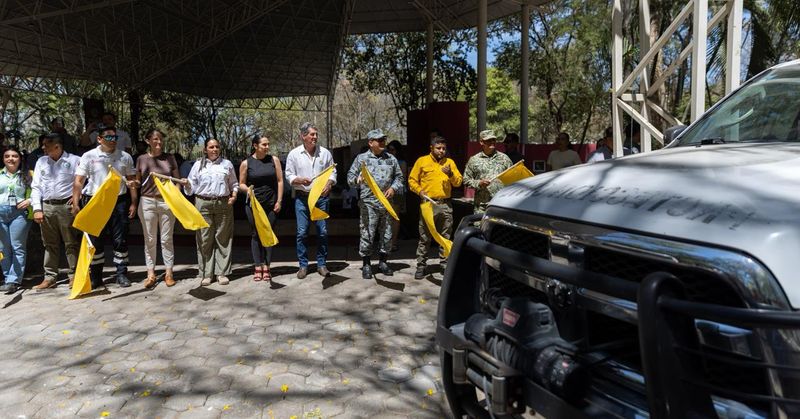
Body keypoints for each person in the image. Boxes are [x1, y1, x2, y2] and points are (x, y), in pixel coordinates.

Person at [72, 126, 138, 288]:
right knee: (95, 240)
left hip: (119, 202)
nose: (113, 140)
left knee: (120, 238)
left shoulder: (125, 157)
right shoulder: (89, 156)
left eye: (115, 137)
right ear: (99, 139)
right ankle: (96, 276)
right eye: (108, 137)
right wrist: (75, 203)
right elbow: (79, 181)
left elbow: (132, 181)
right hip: (95, 201)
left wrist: (134, 202)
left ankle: (121, 274)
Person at [347, 129, 403, 279]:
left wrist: (393, 188)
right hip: (368, 204)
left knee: (387, 234)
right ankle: (366, 264)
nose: (383, 142)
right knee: (367, 234)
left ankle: (383, 262)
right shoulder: (361, 159)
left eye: (384, 139)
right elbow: (350, 177)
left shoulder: (391, 159)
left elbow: (399, 178)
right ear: (371, 143)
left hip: (386, 203)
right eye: (379, 140)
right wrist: (357, 181)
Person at [136, 129, 187, 289]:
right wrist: (132, 184)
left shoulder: (169, 158)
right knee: (149, 239)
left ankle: (169, 273)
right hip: (147, 202)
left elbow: (177, 180)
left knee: (166, 239)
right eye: (155, 139)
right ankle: (150, 274)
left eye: (161, 139)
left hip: (166, 202)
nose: (159, 142)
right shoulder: (141, 159)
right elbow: (138, 182)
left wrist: (176, 195)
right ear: (148, 141)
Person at [284, 122, 337, 279]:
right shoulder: (294, 154)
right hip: (302, 198)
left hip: (321, 199)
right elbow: (288, 175)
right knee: (302, 233)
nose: (315, 137)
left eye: (316, 134)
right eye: (312, 134)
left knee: (322, 232)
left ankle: (322, 265)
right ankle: (303, 266)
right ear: (303, 136)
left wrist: (329, 183)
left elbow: (332, 171)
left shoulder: (325, 153)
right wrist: (298, 180)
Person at [30, 132, 81, 290]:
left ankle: (74, 275)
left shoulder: (74, 160)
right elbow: (36, 186)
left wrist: (77, 197)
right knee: (49, 243)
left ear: (57, 146)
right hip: (47, 207)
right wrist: (37, 208)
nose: (43, 148)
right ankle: (50, 277)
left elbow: (85, 181)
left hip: (66, 206)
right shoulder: (41, 161)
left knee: (71, 242)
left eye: (46, 145)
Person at [185, 138, 238, 286]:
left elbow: (234, 183)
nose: (214, 149)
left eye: (216, 147)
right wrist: (186, 184)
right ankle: (206, 273)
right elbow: (190, 187)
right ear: (205, 149)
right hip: (203, 204)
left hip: (223, 203)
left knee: (223, 238)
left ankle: (221, 273)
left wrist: (234, 196)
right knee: (205, 238)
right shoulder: (197, 165)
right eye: (211, 147)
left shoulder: (226, 164)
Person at [408, 136, 462, 279]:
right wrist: (419, 191)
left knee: (445, 237)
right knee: (425, 237)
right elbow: (412, 180)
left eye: (444, 148)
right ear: (431, 148)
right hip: (428, 204)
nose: (441, 151)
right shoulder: (422, 161)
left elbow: (458, 182)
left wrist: (450, 174)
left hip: (445, 204)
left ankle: (444, 265)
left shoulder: (450, 163)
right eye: (438, 148)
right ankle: (421, 266)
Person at [238, 134, 283, 283]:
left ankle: (267, 267)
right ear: (255, 146)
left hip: (271, 203)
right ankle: (258, 266)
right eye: (264, 144)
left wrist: (279, 201)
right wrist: (248, 191)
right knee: (256, 234)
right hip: (253, 205)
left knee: (268, 234)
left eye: (268, 144)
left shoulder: (274, 160)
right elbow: (241, 184)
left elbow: (280, 181)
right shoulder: (246, 163)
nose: (267, 147)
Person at [0, 146, 32, 294]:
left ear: (20, 159)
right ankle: (7, 279)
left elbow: (40, 190)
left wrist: (29, 200)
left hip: (19, 214)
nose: (11, 159)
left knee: (17, 246)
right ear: (3, 159)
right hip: (1, 213)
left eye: (14, 156)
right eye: (7, 156)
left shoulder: (28, 175)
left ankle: (14, 280)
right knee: (2, 248)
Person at [463, 130, 512, 214]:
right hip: (482, 207)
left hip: (501, 205)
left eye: (494, 140)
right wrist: (479, 183)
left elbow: (513, 177)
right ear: (481, 142)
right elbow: (466, 180)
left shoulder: (505, 158)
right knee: (481, 227)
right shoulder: (474, 160)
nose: (492, 142)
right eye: (489, 140)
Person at [386, 139, 407, 252]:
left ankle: (393, 242)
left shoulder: (401, 162)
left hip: (397, 191)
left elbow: (402, 178)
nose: (390, 152)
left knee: (394, 217)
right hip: (384, 192)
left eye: (392, 150)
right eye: (388, 149)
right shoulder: (385, 160)